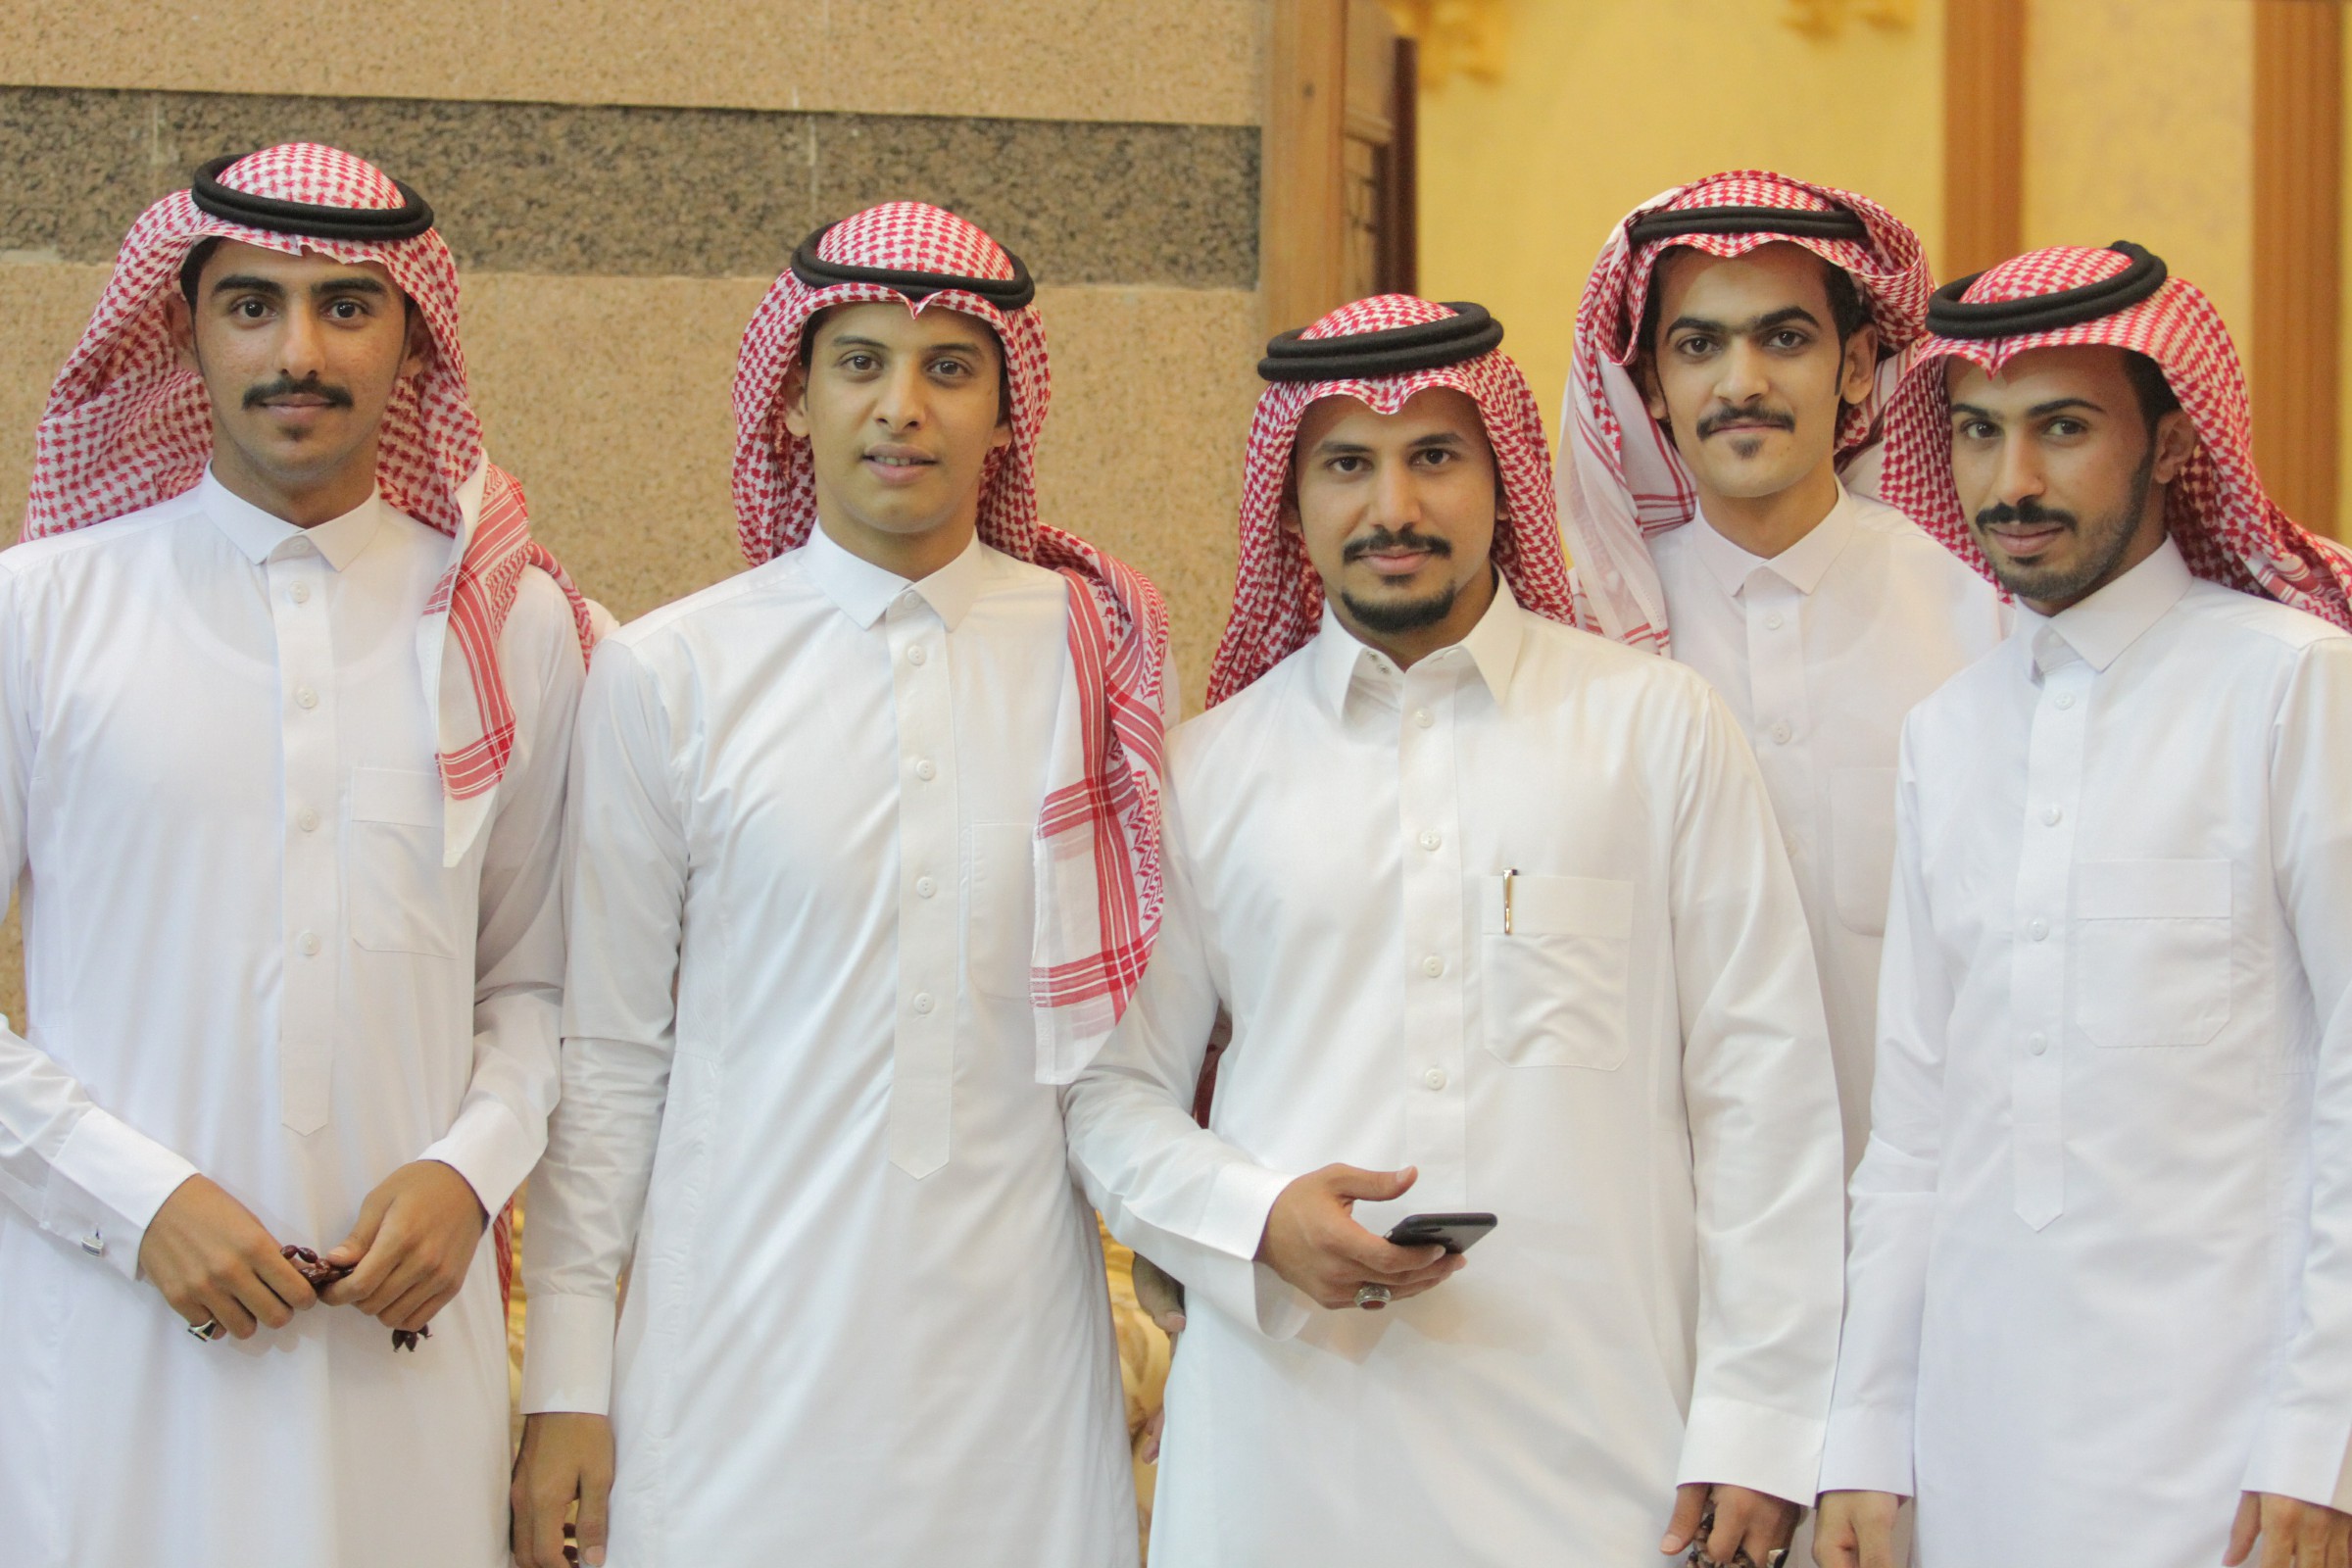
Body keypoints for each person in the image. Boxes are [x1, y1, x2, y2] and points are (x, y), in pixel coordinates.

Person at [1066, 295, 1845, 1566]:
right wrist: (1256, 1219)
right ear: (1291, 502)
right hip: (1287, 1456)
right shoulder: (1209, 771)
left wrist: (1759, 1421)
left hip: (1606, 1444)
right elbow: (1109, 1096)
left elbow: (1764, 1094)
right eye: (1346, 466)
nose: (1394, 508)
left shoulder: (1655, 730)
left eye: (1435, 456)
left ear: (1503, 480)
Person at [512, 202, 1166, 1567]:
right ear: (793, 401)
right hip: (730, 1364)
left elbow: (1149, 1036)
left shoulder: (1094, 655)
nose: (901, 407)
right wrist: (567, 1385)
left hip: (1019, 1379)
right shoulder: (674, 670)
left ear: (1007, 414)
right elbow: (612, 1054)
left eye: (949, 369)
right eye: (859, 363)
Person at [0, 143, 593, 1567]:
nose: (299, 354)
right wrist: (136, 1203)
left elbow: (543, 985)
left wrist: (469, 1173)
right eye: (252, 305)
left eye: (346, 307)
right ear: (185, 331)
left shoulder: (512, 629)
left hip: (405, 1362)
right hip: (114, 1350)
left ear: (413, 340)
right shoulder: (40, 614)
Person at [1814, 243, 2352, 1568]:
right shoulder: (1949, 733)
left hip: (2231, 1450)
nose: (2013, 482)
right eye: (1978, 433)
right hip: (1976, 1449)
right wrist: (1865, 1436)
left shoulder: (2295, 687)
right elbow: (1917, 1127)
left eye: (2062, 428)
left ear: (2171, 443)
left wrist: (2320, 1434)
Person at [1560, 170, 2001, 1168]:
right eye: (1698, 346)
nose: (1741, 383)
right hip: (1678, 1221)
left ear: (1858, 366)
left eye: (1785, 339)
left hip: (1942, 1207)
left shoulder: (1982, 613)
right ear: (1651, 386)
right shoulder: (1587, 637)